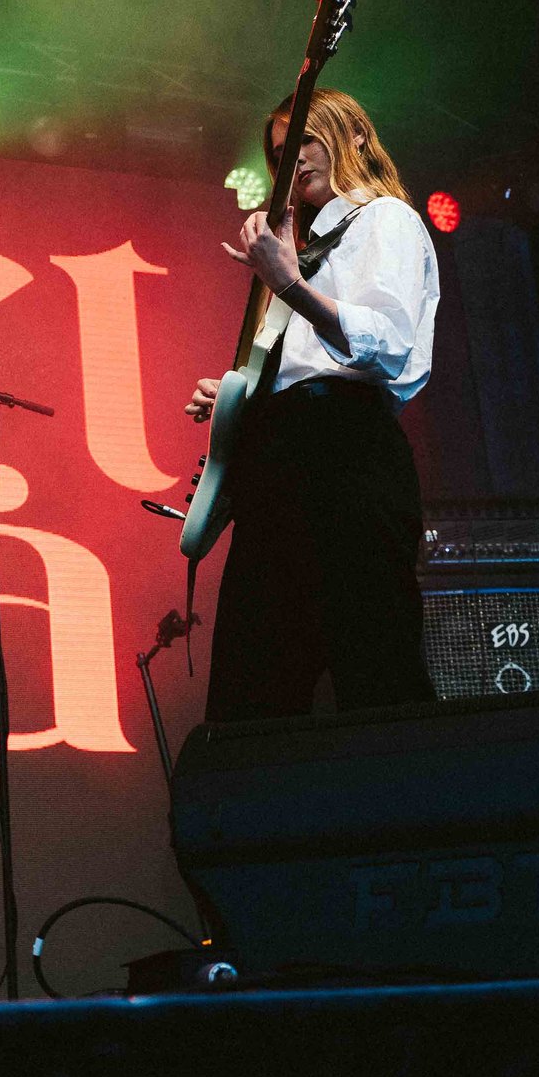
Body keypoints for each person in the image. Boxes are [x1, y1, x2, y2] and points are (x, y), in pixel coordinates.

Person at [184, 88, 442, 722]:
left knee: (377, 672)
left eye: (304, 139)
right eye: (278, 154)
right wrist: (243, 399)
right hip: (279, 465)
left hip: (348, 456)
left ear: (352, 135)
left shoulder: (386, 221)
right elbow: (301, 365)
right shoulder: (298, 254)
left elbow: (384, 344)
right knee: (251, 693)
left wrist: (288, 284)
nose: (290, 161)